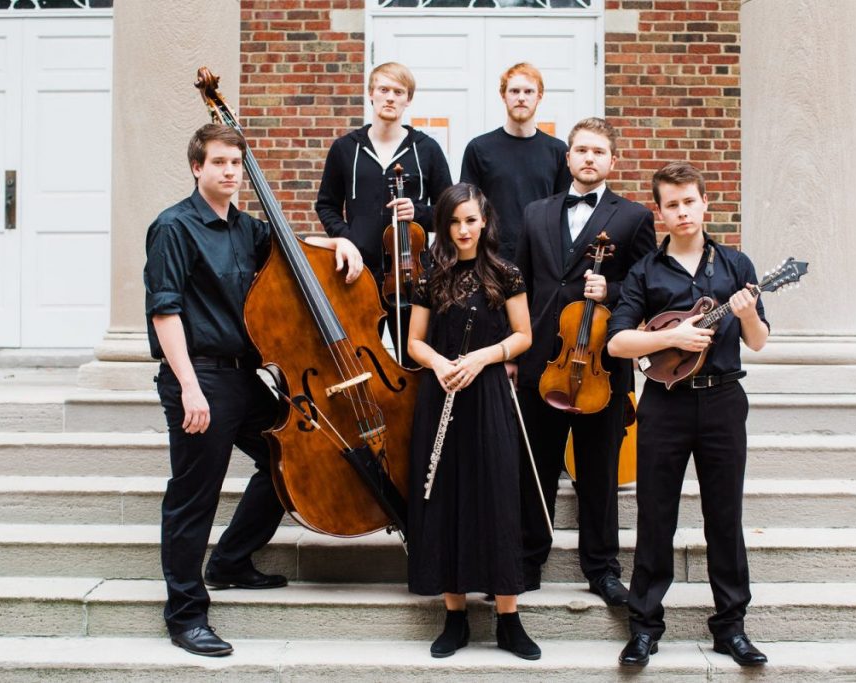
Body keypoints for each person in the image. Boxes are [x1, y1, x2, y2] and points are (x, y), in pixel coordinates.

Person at [144, 123, 363, 657]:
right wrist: (189, 388)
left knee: (286, 456)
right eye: (219, 163)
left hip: (245, 375)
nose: (229, 172)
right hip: (200, 376)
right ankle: (186, 615)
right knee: (194, 496)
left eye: (236, 164)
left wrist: (340, 242)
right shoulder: (173, 227)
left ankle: (231, 560)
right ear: (197, 167)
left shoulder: (248, 228)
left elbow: (297, 250)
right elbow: (164, 311)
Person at [606, 161, 770, 668]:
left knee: (725, 516)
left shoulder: (736, 266)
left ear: (705, 204)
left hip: (723, 400)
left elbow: (759, 341)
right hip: (665, 404)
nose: (683, 212)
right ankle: (645, 627)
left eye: (689, 202)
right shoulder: (645, 271)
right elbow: (617, 341)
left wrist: (744, 313)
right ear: (660, 211)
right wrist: (671, 338)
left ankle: (731, 627)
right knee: (656, 515)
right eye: (672, 204)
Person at [514, 117, 656, 606]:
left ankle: (601, 568)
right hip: (541, 362)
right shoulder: (535, 213)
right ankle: (529, 558)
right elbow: (522, 288)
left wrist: (612, 291)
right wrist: (516, 352)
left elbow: (650, 287)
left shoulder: (633, 217)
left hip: (600, 367)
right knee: (536, 468)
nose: (589, 158)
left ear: (612, 161)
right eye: (581, 150)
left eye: (599, 151)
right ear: (568, 158)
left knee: (599, 472)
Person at [406, 183, 539, 660]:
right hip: (441, 392)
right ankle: (455, 616)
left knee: (498, 497)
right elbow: (414, 343)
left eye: (470, 220)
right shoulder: (431, 276)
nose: (463, 230)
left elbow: (524, 335)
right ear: (444, 225)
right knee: (445, 500)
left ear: (484, 222)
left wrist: (483, 357)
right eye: (454, 222)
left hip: (485, 395)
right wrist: (441, 364)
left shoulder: (506, 273)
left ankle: (509, 620)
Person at [317, 61, 453, 366]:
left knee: (416, 363)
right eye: (384, 90)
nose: (390, 97)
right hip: (358, 275)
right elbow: (325, 204)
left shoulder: (426, 149)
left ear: (408, 99)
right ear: (371, 94)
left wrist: (417, 212)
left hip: (411, 276)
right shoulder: (345, 149)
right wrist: (345, 239)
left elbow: (448, 213)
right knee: (359, 363)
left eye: (398, 91)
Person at [460, 62, 571, 262]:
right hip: (491, 257)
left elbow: (564, 211)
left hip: (543, 257)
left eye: (528, 91)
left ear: (539, 96)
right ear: (503, 95)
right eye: (514, 91)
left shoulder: (558, 151)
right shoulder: (479, 148)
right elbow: (467, 208)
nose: (521, 97)